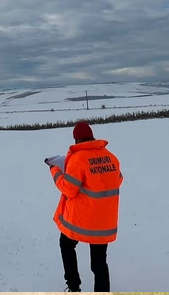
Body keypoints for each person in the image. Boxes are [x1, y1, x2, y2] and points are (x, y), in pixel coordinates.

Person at [45, 121, 122, 292]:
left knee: (66, 245)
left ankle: (73, 286)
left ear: (76, 140)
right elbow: (118, 180)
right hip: (104, 222)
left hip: (81, 221)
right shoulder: (111, 157)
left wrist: (55, 170)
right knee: (99, 263)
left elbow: (69, 189)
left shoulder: (78, 159)